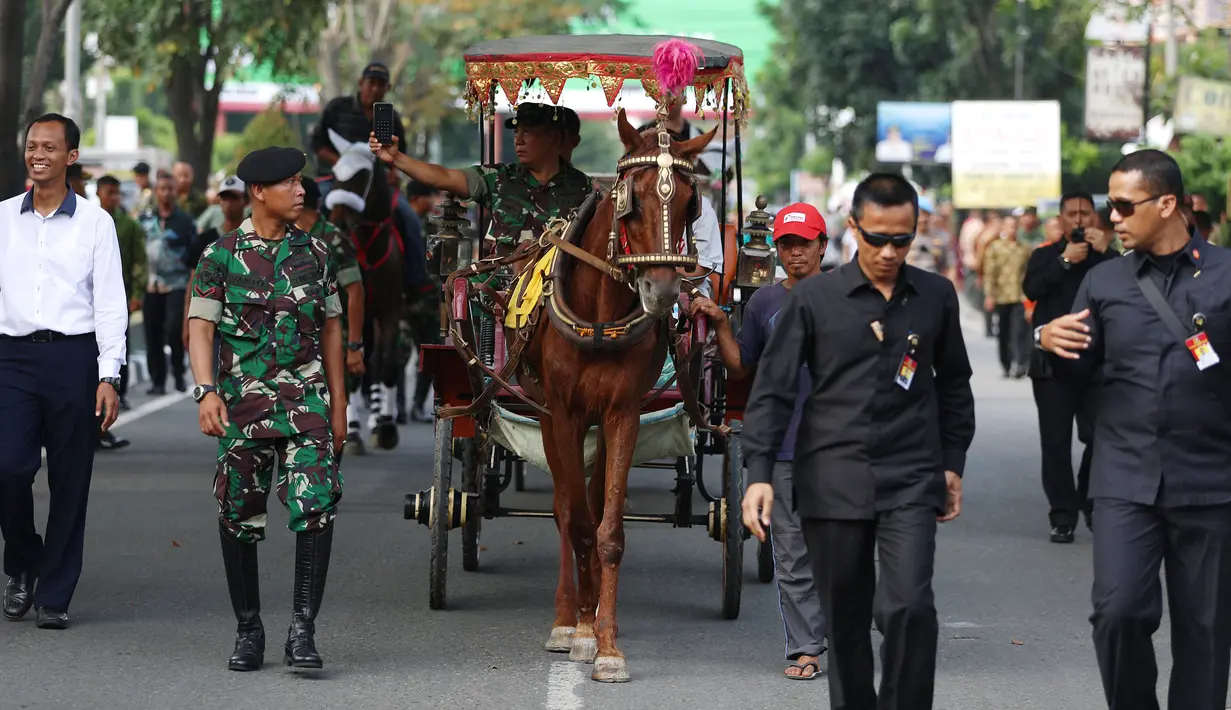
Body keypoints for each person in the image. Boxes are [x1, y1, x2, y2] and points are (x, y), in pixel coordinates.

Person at [741, 173, 974, 710]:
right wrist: (759, 475)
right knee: (846, 615)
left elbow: (955, 382)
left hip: (911, 476)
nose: (890, 252)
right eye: (877, 239)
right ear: (852, 230)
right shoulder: (815, 299)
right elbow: (772, 390)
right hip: (831, 479)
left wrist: (953, 460)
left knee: (909, 607)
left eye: (902, 239)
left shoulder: (935, 295)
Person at [1040, 149, 1231, 710]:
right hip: (1123, 478)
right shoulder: (1104, 283)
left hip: (1212, 481)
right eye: (1109, 205)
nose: (1111, 218)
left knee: (1206, 631)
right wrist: (1046, 343)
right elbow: (1076, 368)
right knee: (1117, 612)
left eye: (1123, 205)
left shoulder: (1226, 276)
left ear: (1167, 203)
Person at [187, 146, 346, 672]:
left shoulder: (319, 255)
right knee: (238, 514)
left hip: (307, 405)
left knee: (315, 506)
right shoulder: (220, 256)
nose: (301, 192)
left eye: (302, 183)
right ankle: (248, 629)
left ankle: (303, 631)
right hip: (240, 406)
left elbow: (331, 331)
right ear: (259, 192)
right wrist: (206, 391)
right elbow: (201, 328)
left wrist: (339, 406)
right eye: (291, 184)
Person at [690, 202, 829, 682]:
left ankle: (845, 633)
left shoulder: (849, 297)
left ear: (822, 246)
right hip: (784, 446)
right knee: (790, 554)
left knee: (840, 549)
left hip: (841, 448)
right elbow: (741, 366)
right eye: (786, 245)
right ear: (777, 252)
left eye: (803, 244)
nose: (795, 253)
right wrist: (723, 322)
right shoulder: (765, 303)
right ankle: (807, 648)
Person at [0, 113, 127, 630]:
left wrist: (108, 374)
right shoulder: (4, 216)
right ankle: (24, 561)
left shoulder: (97, 223)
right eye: (32, 145)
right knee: (8, 467)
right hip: (12, 357)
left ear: (71, 157)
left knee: (71, 480)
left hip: (73, 358)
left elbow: (110, 305)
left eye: (50, 147)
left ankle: (55, 592)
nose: (38, 154)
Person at [369, 101, 592, 256]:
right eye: (516, 132)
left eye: (528, 132)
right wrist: (396, 158)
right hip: (503, 286)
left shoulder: (587, 190)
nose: (518, 140)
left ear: (553, 138)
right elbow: (442, 177)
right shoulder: (497, 178)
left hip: (562, 287)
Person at [1023, 191, 1116, 543]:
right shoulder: (1044, 255)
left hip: (1098, 365)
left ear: (1095, 218)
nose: (1078, 220)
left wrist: (1105, 250)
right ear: (1059, 220)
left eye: (1085, 213)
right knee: (1055, 443)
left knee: (1101, 436)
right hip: (1052, 367)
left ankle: (1088, 499)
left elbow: (1132, 285)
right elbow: (1031, 288)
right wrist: (1065, 260)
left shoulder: (1108, 260)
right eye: (1071, 214)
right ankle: (1062, 515)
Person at [96, 174, 149, 447]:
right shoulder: (87, 221)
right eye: (109, 193)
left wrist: (137, 294)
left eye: (117, 193)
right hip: (89, 303)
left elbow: (139, 259)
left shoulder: (128, 225)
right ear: (99, 193)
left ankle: (117, 398)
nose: (114, 198)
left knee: (118, 349)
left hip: (120, 296)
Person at [139, 170, 197, 395]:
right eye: (162, 189)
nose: (166, 193)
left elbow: (193, 252)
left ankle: (178, 371)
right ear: (156, 192)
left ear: (176, 192)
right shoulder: (145, 219)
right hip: (150, 283)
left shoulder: (185, 221)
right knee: (152, 333)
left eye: (170, 189)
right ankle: (158, 380)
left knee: (174, 329)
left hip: (177, 283)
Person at [181, 175, 247, 351]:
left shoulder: (255, 238)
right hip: (214, 324)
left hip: (248, 326)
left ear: (245, 201)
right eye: (224, 198)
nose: (229, 204)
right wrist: (187, 324)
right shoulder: (205, 240)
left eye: (234, 198)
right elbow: (193, 283)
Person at [311, 61, 406, 179]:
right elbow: (317, 144)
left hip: (377, 181)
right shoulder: (337, 107)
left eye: (381, 84)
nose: (375, 89)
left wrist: (395, 173)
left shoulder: (392, 116)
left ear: (388, 87)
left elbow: (400, 153)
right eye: (371, 83)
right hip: (333, 176)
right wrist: (344, 163)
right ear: (361, 83)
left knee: (401, 198)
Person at [401, 180, 443, 423]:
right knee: (399, 352)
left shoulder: (434, 227)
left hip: (428, 304)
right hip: (404, 301)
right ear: (417, 198)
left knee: (429, 354)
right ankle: (393, 406)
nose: (434, 202)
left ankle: (416, 405)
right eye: (430, 196)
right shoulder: (401, 227)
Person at [982, 214, 1032, 378]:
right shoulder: (995, 248)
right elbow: (989, 272)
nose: (1012, 229)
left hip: (1020, 295)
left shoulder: (1024, 248)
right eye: (1009, 226)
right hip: (1001, 296)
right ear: (1003, 228)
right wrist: (989, 295)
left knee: (1019, 331)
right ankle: (1006, 363)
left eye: (1014, 226)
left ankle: (1020, 363)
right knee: (1003, 332)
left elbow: (1029, 271)